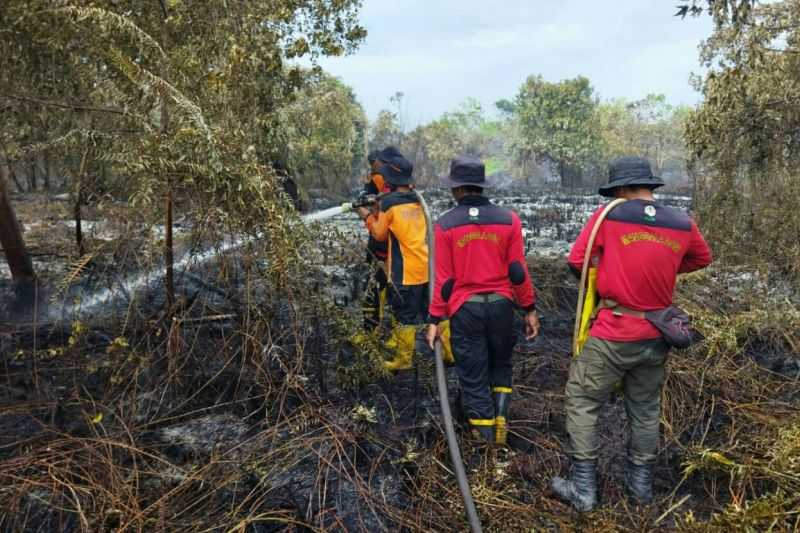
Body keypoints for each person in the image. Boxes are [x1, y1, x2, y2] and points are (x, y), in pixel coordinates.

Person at [551, 156, 713, 512]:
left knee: (582, 398)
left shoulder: (608, 217)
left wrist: (611, 265)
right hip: (656, 334)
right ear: (649, 186)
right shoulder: (682, 222)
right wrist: (664, 264)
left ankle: (584, 491)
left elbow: (577, 262)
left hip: (614, 331)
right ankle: (639, 491)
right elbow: (702, 258)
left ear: (621, 189)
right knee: (644, 409)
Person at [425, 155, 539, 444]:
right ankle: (499, 420)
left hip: (466, 309)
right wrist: (529, 308)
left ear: (456, 189)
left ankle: (487, 443)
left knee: (473, 373)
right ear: (481, 186)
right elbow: (517, 271)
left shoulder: (445, 225)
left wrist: (435, 319)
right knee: (501, 364)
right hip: (502, 306)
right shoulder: (508, 219)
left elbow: (445, 280)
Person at [358, 152, 430, 371]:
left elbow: (379, 234)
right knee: (431, 311)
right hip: (426, 266)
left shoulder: (389, 202)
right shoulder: (418, 199)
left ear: (390, 179)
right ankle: (447, 352)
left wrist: (365, 215)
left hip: (404, 270)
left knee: (404, 315)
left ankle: (404, 359)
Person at [360, 148, 392, 330]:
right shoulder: (375, 178)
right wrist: (367, 200)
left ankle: (383, 329)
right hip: (377, 241)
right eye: (373, 166)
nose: (375, 169)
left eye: (376, 165)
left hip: (387, 241)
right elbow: (366, 195)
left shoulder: (396, 181)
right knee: (372, 285)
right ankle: (371, 328)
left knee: (385, 287)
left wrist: (368, 213)